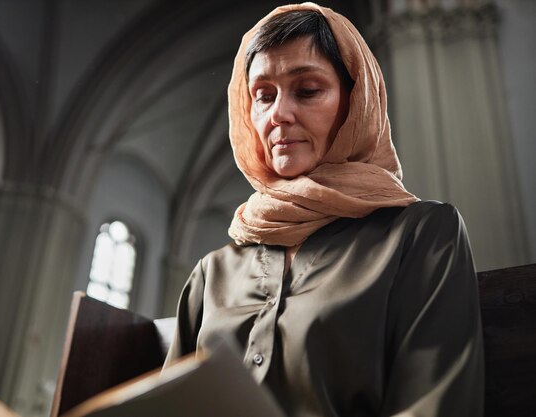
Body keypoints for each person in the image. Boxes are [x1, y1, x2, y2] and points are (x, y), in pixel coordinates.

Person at [165, 3, 484, 416]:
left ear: (356, 101)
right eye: (263, 95)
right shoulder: (212, 274)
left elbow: (435, 406)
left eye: (308, 90)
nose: (278, 114)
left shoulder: (421, 235)